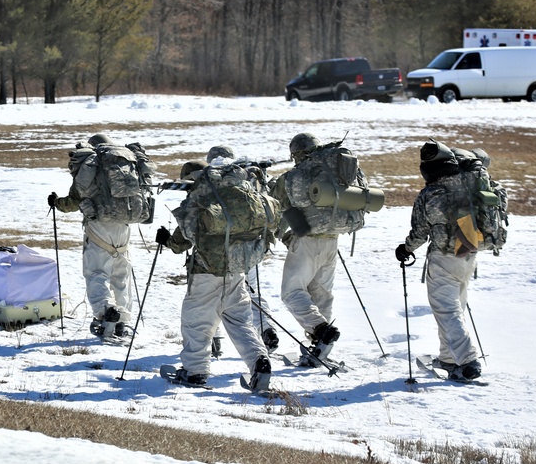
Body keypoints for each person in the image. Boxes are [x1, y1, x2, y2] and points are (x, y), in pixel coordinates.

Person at [154, 145, 275, 392]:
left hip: (206, 272)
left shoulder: (202, 200)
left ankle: (195, 372)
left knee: (196, 320)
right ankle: (259, 363)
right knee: (241, 323)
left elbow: (182, 242)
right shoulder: (237, 196)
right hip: (237, 270)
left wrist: (166, 239)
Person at [273, 132, 368, 367]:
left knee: (292, 292)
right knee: (322, 293)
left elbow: (282, 205)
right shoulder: (336, 167)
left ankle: (320, 329)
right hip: (333, 238)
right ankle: (318, 351)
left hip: (308, 240)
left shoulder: (298, 174)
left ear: (296, 154)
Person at [48, 133, 154, 340]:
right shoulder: (127, 161)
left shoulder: (92, 165)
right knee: (121, 276)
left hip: (98, 227)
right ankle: (123, 320)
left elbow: (73, 201)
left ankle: (106, 312)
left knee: (97, 272)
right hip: (124, 227)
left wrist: (56, 202)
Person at [395, 140, 484, 382]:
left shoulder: (430, 193)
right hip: (468, 255)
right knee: (456, 308)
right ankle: (449, 358)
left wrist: (405, 249)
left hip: (443, 257)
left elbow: (420, 232)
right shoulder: (468, 186)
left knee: (446, 310)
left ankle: (467, 361)